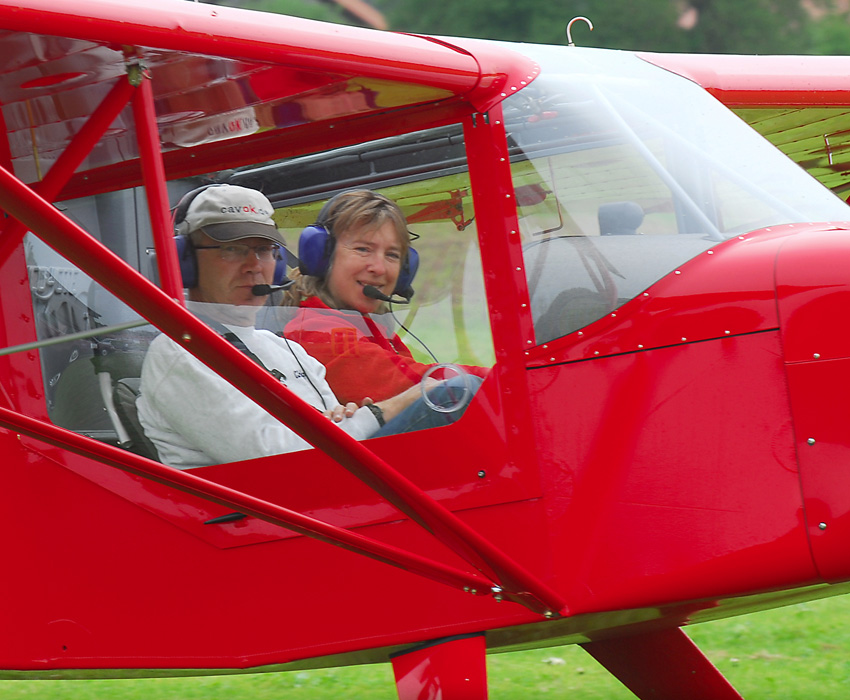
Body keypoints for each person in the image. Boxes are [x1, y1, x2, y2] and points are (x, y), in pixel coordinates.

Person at [136, 184, 438, 470]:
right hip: (255, 520)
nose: (254, 265)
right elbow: (281, 459)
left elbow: (337, 433)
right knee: (454, 393)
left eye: (265, 250)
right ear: (185, 262)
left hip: (327, 505)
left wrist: (348, 419)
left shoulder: (287, 351)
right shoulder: (180, 352)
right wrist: (385, 411)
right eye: (232, 249)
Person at [282, 189, 489, 406]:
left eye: (392, 255)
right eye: (363, 249)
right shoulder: (315, 332)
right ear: (322, 257)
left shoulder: (370, 328)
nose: (379, 268)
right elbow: (417, 386)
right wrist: (506, 377)